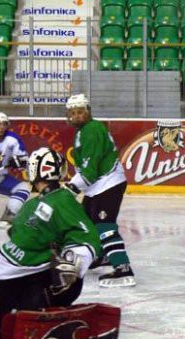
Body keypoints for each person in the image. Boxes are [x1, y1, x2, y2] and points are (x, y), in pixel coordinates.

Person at [0, 147, 120, 339]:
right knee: (3, 309)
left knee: (21, 311)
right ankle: (2, 313)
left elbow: (87, 237)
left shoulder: (62, 201)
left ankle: (21, 312)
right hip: (19, 272)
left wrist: (72, 262)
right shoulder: (32, 204)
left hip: (51, 281)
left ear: (33, 171)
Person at [65, 93, 136, 288]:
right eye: (72, 113)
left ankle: (123, 268)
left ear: (88, 111)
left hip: (107, 183)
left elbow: (91, 168)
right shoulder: (85, 130)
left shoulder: (92, 130)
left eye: (80, 112)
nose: (76, 116)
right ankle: (103, 256)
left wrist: (71, 188)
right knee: (87, 222)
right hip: (97, 186)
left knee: (104, 225)